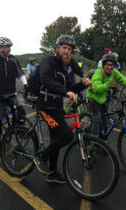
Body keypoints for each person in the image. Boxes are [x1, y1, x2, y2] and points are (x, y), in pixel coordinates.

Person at [34, 35, 91, 183]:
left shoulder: (66, 66)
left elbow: (70, 87)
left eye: (70, 49)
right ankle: (41, 157)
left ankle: (52, 173)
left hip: (57, 107)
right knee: (66, 136)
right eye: (64, 47)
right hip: (46, 107)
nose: (67, 51)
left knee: (56, 140)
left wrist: (83, 85)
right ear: (57, 48)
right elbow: (46, 79)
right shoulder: (48, 61)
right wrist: (66, 92)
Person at [86, 53, 126, 141]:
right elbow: (95, 88)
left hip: (103, 98)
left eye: (112, 65)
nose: (109, 67)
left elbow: (125, 81)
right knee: (96, 119)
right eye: (107, 64)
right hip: (93, 98)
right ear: (103, 64)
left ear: (114, 66)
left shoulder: (114, 72)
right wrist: (109, 85)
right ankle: (94, 140)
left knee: (104, 120)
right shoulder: (99, 73)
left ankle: (102, 137)